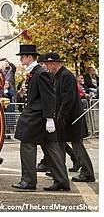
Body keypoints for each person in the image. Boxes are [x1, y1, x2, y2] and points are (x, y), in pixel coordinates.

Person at [12, 44, 70, 192]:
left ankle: (29, 180)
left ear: (30, 57)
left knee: (27, 145)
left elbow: (49, 97)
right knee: (50, 147)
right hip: (37, 116)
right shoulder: (34, 72)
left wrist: (50, 118)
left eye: (22, 57)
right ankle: (62, 181)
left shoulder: (40, 73)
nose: (21, 60)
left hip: (36, 117)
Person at [42, 52, 95, 183]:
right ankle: (58, 170)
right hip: (66, 116)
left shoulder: (66, 76)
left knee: (77, 146)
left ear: (54, 64)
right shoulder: (58, 76)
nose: (46, 67)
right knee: (59, 143)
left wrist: (61, 115)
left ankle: (87, 172)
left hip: (71, 117)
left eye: (47, 64)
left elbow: (68, 99)